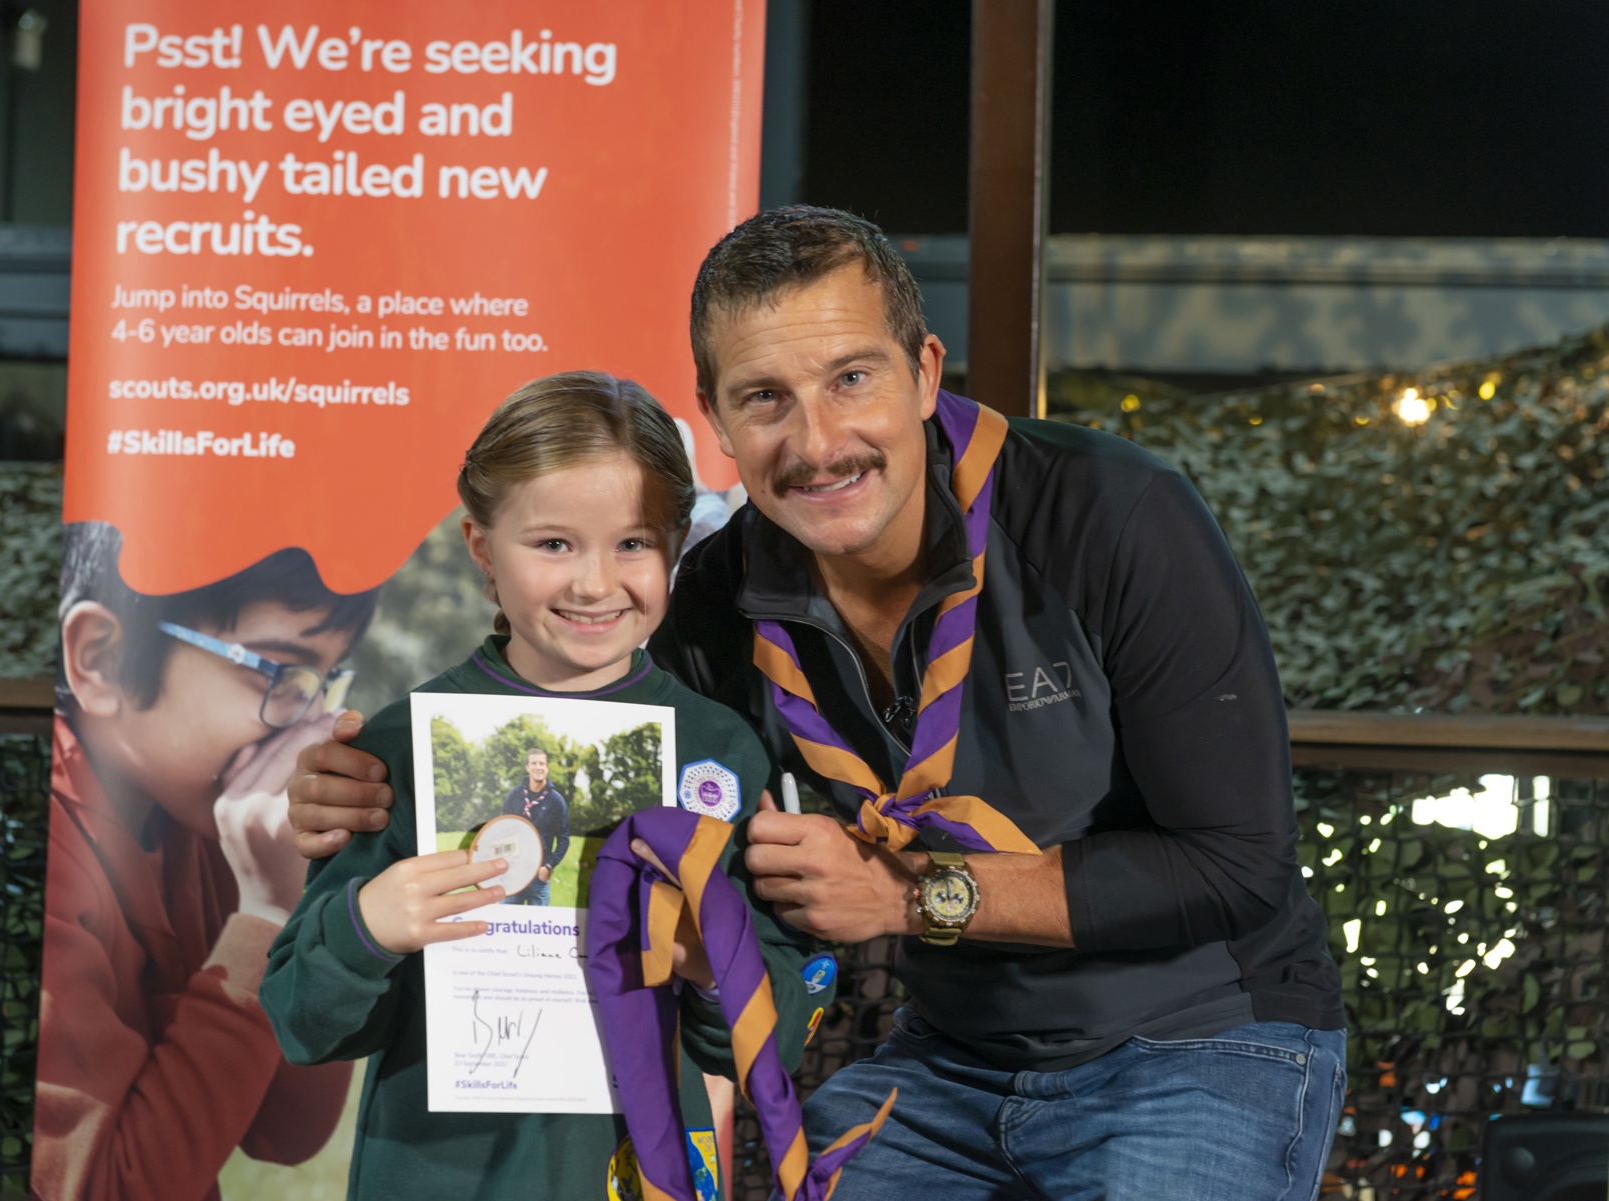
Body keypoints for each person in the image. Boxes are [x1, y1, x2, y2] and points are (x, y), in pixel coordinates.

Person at [284, 208, 1346, 1200]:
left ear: (924, 373)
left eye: (851, 378)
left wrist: (907, 898)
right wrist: (372, 782)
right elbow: (569, 729)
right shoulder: (711, 604)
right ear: (717, 420)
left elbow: (1238, 868)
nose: (818, 440)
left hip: (1204, 1038)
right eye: (764, 398)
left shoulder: (1112, 516)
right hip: (955, 1062)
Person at [257, 372, 815, 1200]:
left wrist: (710, 966)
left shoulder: (719, 749)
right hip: (441, 1175)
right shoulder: (397, 748)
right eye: (554, 544)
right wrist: (367, 925)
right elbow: (303, 1021)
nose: (595, 583)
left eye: (633, 543)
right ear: (482, 546)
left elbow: (776, 1039)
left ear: (676, 545)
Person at [33, 524, 369, 1201]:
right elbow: (108, 1187)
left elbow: (286, 1129)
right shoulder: (40, 854)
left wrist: (308, 899)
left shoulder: (203, 824)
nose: (308, 725)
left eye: (324, 683)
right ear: (101, 658)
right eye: (277, 670)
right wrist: (267, 915)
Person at [499, 746, 568, 905]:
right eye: (534, 763)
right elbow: (502, 831)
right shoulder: (514, 795)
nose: (538, 767)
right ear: (527, 767)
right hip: (514, 873)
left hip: (539, 874)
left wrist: (549, 867)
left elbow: (564, 839)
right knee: (506, 922)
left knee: (538, 925)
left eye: (542, 764)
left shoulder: (556, 801)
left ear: (547, 768)